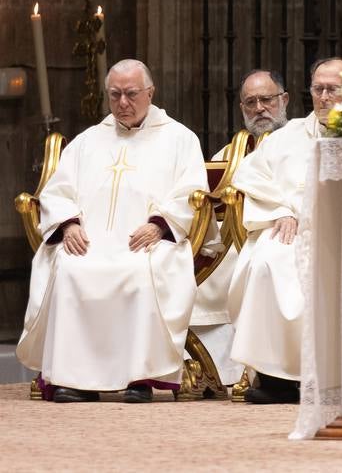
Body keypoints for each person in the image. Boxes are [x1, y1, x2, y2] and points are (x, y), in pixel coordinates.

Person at [17, 59, 208, 402]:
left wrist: (159, 224)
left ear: (151, 93)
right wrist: (69, 222)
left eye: (132, 94)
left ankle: (138, 378)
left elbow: (191, 192)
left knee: (139, 271)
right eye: (115, 95)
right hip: (90, 243)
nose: (123, 103)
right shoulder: (88, 141)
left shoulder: (181, 139)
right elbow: (56, 190)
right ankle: (73, 380)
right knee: (70, 267)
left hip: (145, 243)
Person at [227, 57, 342, 403]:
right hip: (293, 230)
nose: (324, 97)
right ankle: (274, 378)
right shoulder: (286, 136)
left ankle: (341, 376)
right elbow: (249, 176)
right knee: (268, 260)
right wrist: (281, 210)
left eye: (333, 89)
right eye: (318, 89)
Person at [193, 69, 290, 389]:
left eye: (267, 99)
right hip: (236, 239)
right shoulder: (229, 155)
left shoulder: (301, 143)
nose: (259, 108)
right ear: (241, 108)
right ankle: (213, 372)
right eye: (250, 102)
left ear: (284, 100)